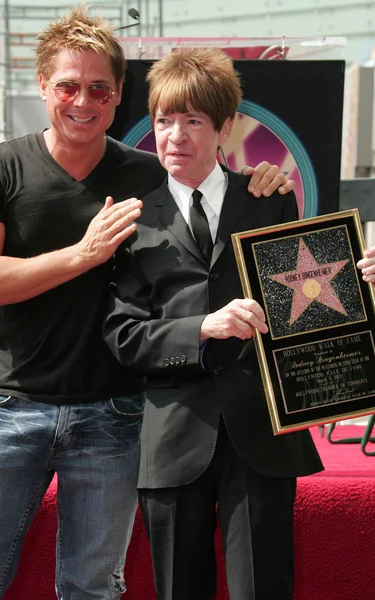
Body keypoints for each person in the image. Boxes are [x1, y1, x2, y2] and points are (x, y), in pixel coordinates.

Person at [0, 6, 293, 600]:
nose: (84, 100)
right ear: (43, 86)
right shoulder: (15, 171)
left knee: (96, 585)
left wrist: (347, 277)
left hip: (133, 419)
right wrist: (86, 255)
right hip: (27, 408)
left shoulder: (208, 188)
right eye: (69, 85)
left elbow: (299, 289)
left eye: (100, 88)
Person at [103, 47, 324, 600]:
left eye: (193, 121)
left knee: (264, 588)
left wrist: (353, 284)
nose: (174, 136)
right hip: (173, 437)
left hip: (262, 432)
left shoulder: (270, 201)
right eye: (163, 121)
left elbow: (308, 307)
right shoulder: (132, 221)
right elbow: (123, 336)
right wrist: (203, 326)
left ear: (225, 128)